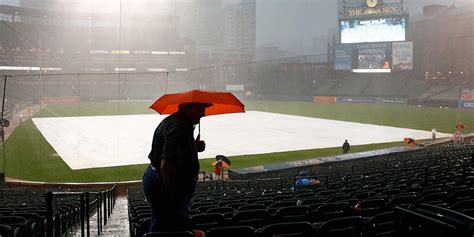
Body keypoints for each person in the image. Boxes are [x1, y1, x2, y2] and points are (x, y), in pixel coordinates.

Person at [142, 102, 210, 232]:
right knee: (166, 226)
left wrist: (194, 147)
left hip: (157, 180)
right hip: (165, 185)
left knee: (167, 223)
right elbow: (166, 164)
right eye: (202, 110)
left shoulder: (176, 122)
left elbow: (175, 151)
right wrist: (173, 195)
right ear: (192, 108)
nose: (203, 114)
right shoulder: (179, 127)